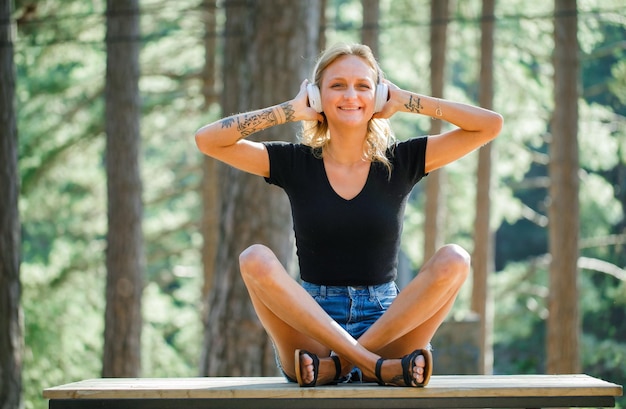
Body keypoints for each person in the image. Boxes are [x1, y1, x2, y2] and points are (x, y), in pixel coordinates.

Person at [195, 42, 503, 388]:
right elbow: (208, 140)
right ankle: (373, 366)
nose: (350, 95)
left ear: (379, 94)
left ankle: (340, 365)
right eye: (337, 85)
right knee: (254, 259)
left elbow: (489, 126)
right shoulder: (294, 163)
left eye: (363, 85)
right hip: (313, 328)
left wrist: (406, 101)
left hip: (388, 323)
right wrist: (290, 110)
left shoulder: (403, 160)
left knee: (455, 259)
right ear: (317, 96)